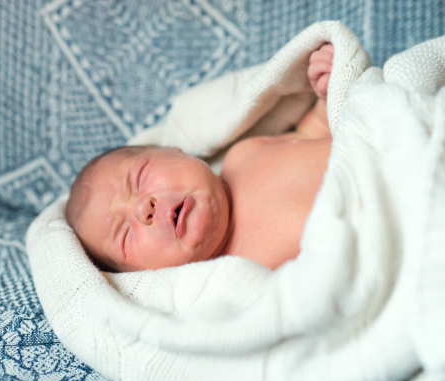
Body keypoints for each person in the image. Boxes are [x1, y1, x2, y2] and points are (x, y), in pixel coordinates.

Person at [65, 44, 335, 272]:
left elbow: (314, 130)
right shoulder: (231, 280)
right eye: (125, 236)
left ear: (175, 151)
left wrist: (327, 92)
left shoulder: (245, 154)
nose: (142, 209)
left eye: (140, 177)